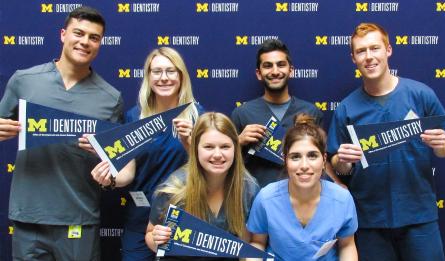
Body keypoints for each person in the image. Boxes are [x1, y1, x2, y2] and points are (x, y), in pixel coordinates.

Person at [0, 6, 123, 260]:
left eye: (94, 37)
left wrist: (106, 160)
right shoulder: (24, 80)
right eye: (79, 33)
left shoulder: (111, 98)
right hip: (29, 217)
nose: (85, 42)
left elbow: (116, 161)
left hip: (79, 217)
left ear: (100, 44)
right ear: (63, 34)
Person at [327, 23, 445, 261]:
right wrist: (343, 162)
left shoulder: (421, 94)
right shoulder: (346, 108)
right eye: (361, 51)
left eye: (374, 48)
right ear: (353, 58)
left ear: (388, 50)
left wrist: (441, 145)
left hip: (419, 216)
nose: (369, 57)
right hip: (370, 220)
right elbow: (335, 163)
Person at [91, 47, 201, 261]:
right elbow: (127, 172)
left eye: (171, 71)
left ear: (181, 76)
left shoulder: (198, 117)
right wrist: (110, 178)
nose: (164, 78)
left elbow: (209, 173)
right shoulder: (134, 117)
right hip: (140, 217)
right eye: (157, 71)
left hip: (183, 217)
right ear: (148, 77)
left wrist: (190, 143)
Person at [144, 112, 260, 260]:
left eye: (225, 146)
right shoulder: (174, 188)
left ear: (235, 149)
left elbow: (247, 243)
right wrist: (156, 239)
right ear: (196, 149)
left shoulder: (248, 189)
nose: (217, 154)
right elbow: (150, 233)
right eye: (209, 147)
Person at [247, 114, 358, 260]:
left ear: (324, 160)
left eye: (312, 156)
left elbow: (347, 245)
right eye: (295, 157)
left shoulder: (342, 199)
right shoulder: (266, 198)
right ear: (285, 160)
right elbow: (257, 242)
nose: (304, 166)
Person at [230, 39, 337, 187]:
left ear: (290, 70)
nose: (275, 71)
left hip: (303, 199)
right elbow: (226, 165)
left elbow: (322, 160)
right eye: (268, 66)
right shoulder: (242, 114)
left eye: (281, 65)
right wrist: (238, 142)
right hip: (257, 200)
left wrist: (337, 185)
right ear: (259, 73)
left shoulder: (311, 112)